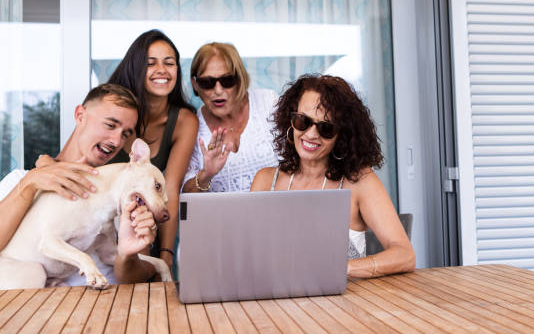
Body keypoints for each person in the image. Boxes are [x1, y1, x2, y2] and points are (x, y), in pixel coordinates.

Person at [251, 74, 415, 278]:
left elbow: (405, 255)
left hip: (344, 306)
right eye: (303, 121)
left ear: (342, 135)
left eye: (326, 128)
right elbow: (249, 256)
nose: (311, 134)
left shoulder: (360, 182)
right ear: (290, 121)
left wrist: (344, 268)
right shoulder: (265, 181)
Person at [0, 83, 159, 285]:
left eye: (125, 134)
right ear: (80, 116)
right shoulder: (21, 180)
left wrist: (127, 255)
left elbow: (135, 279)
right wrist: (29, 184)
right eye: (110, 125)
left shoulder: (126, 196)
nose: (116, 141)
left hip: (108, 309)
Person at [106, 29, 198, 273]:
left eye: (169, 63)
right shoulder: (113, 106)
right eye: (150, 63)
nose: (162, 70)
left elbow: (171, 186)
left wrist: (167, 254)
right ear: (136, 69)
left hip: (145, 229)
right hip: (100, 226)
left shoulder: (184, 120)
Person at [182, 42, 277, 193]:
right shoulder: (192, 126)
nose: (218, 90)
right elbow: (184, 196)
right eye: (207, 83)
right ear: (195, 84)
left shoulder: (268, 103)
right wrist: (206, 174)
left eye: (227, 81)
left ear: (240, 79)